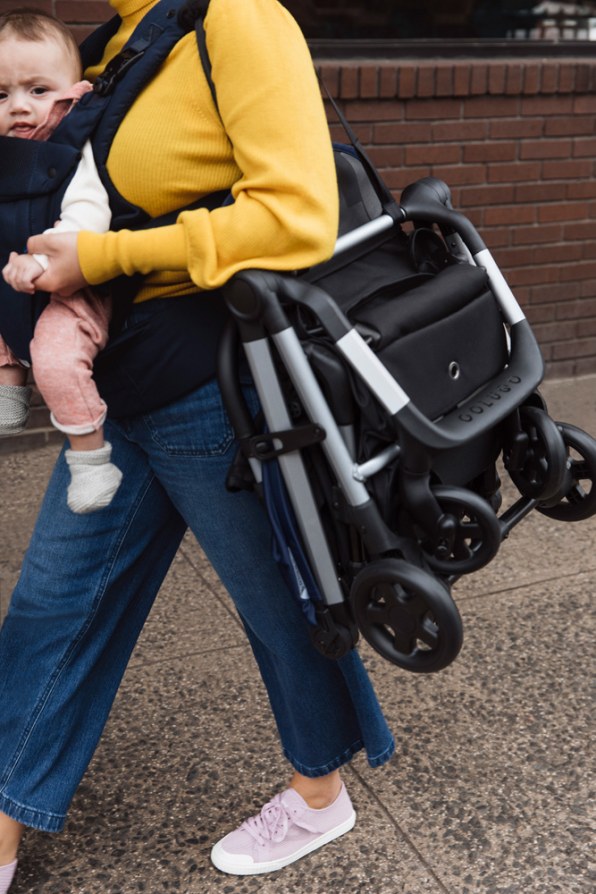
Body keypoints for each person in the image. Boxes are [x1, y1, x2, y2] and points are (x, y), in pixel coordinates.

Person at [0, 0, 395, 888]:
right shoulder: (114, 41)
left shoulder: (239, 19)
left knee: (279, 608)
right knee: (52, 607)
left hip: (208, 389)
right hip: (115, 388)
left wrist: (99, 262)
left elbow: (297, 213)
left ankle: (319, 793)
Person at [0, 9, 122, 515]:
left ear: (73, 95)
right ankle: (10, 386)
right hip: (14, 282)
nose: (19, 107)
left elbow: (88, 211)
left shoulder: (74, 148)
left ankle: (91, 457)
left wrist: (42, 254)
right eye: (1, 95)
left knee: (54, 355)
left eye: (38, 90)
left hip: (72, 288)